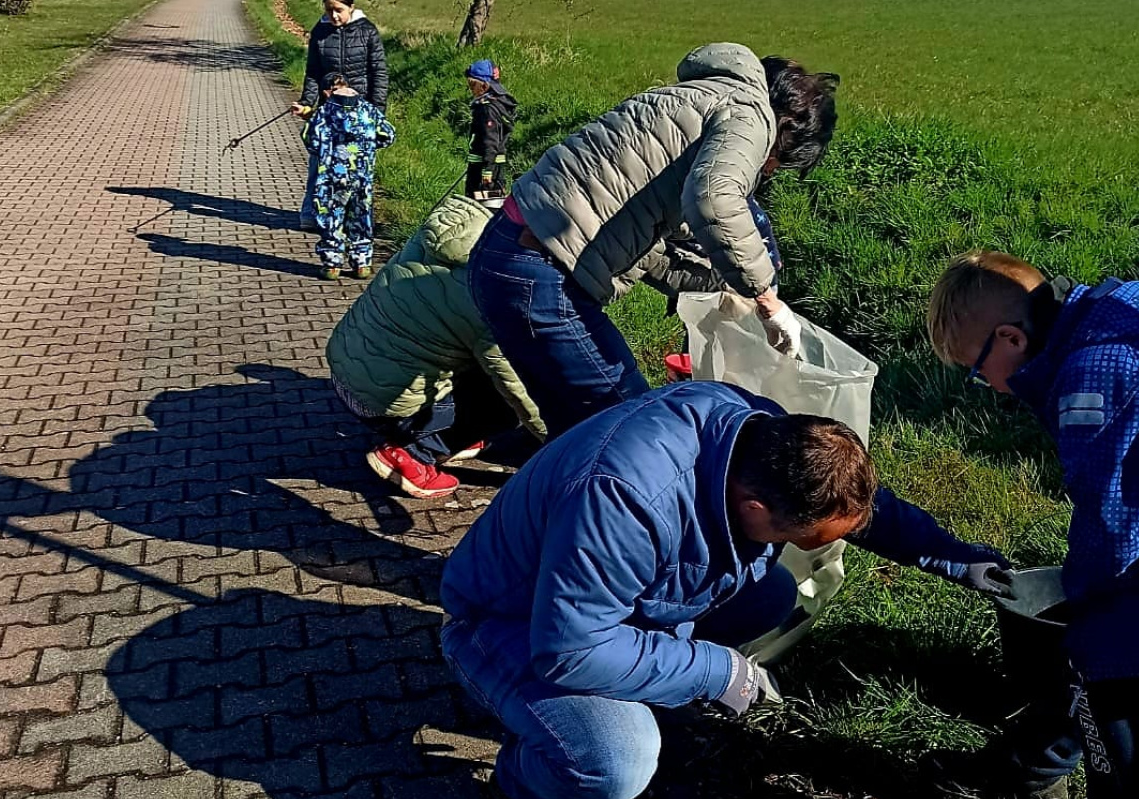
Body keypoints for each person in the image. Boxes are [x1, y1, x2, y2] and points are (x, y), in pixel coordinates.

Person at [441, 380, 1013, 799]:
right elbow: (571, 651)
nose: (806, 547)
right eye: (800, 538)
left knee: (774, 594)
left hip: (605, 606)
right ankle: (524, 785)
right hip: (509, 623)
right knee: (619, 760)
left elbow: (857, 510)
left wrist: (957, 560)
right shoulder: (624, 498)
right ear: (755, 509)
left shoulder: (764, 439)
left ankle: (633, 688)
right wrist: (716, 671)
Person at [928, 252, 1139, 799]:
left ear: (1011, 338)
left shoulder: (1092, 384)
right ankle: (1037, 763)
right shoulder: (1125, 304)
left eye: (978, 370)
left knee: (1102, 664)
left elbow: (1111, 521)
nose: (990, 386)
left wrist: (1079, 594)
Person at [466, 44, 838, 439]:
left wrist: (722, 283)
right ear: (788, 131)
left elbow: (640, 246)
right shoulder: (751, 115)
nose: (769, 170)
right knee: (629, 430)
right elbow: (714, 200)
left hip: (503, 255)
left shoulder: (697, 99)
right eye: (779, 163)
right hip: (540, 270)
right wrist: (766, 297)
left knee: (574, 433)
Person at [327, 194, 544, 499]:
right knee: (506, 405)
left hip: (345, 370)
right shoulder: (494, 291)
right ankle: (413, 454)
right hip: (380, 402)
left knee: (467, 358)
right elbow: (517, 386)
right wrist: (559, 438)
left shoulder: (445, 239)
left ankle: (450, 435)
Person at [293, 0, 388, 229]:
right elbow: (313, 72)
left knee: (356, 167)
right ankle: (311, 212)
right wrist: (306, 102)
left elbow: (379, 72)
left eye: (339, 10)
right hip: (329, 111)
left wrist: (378, 111)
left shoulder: (367, 31)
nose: (334, 15)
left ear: (351, 7)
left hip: (359, 112)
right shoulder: (320, 32)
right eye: (329, 10)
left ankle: (355, 217)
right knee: (319, 160)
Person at [304, 71, 394, 280]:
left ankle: (332, 264)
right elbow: (388, 134)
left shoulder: (324, 112)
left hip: (332, 177)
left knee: (331, 217)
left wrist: (327, 150)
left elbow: (310, 140)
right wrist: (368, 147)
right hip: (362, 176)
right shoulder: (369, 110)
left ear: (327, 93)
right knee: (361, 216)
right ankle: (362, 263)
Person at [464, 59, 517, 200]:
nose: (470, 89)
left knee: (481, 206)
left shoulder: (487, 109)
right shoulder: (497, 104)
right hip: (491, 168)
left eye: (472, 84)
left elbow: (490, 142)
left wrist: (487, 172)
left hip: (485, 173)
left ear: (484, 86)